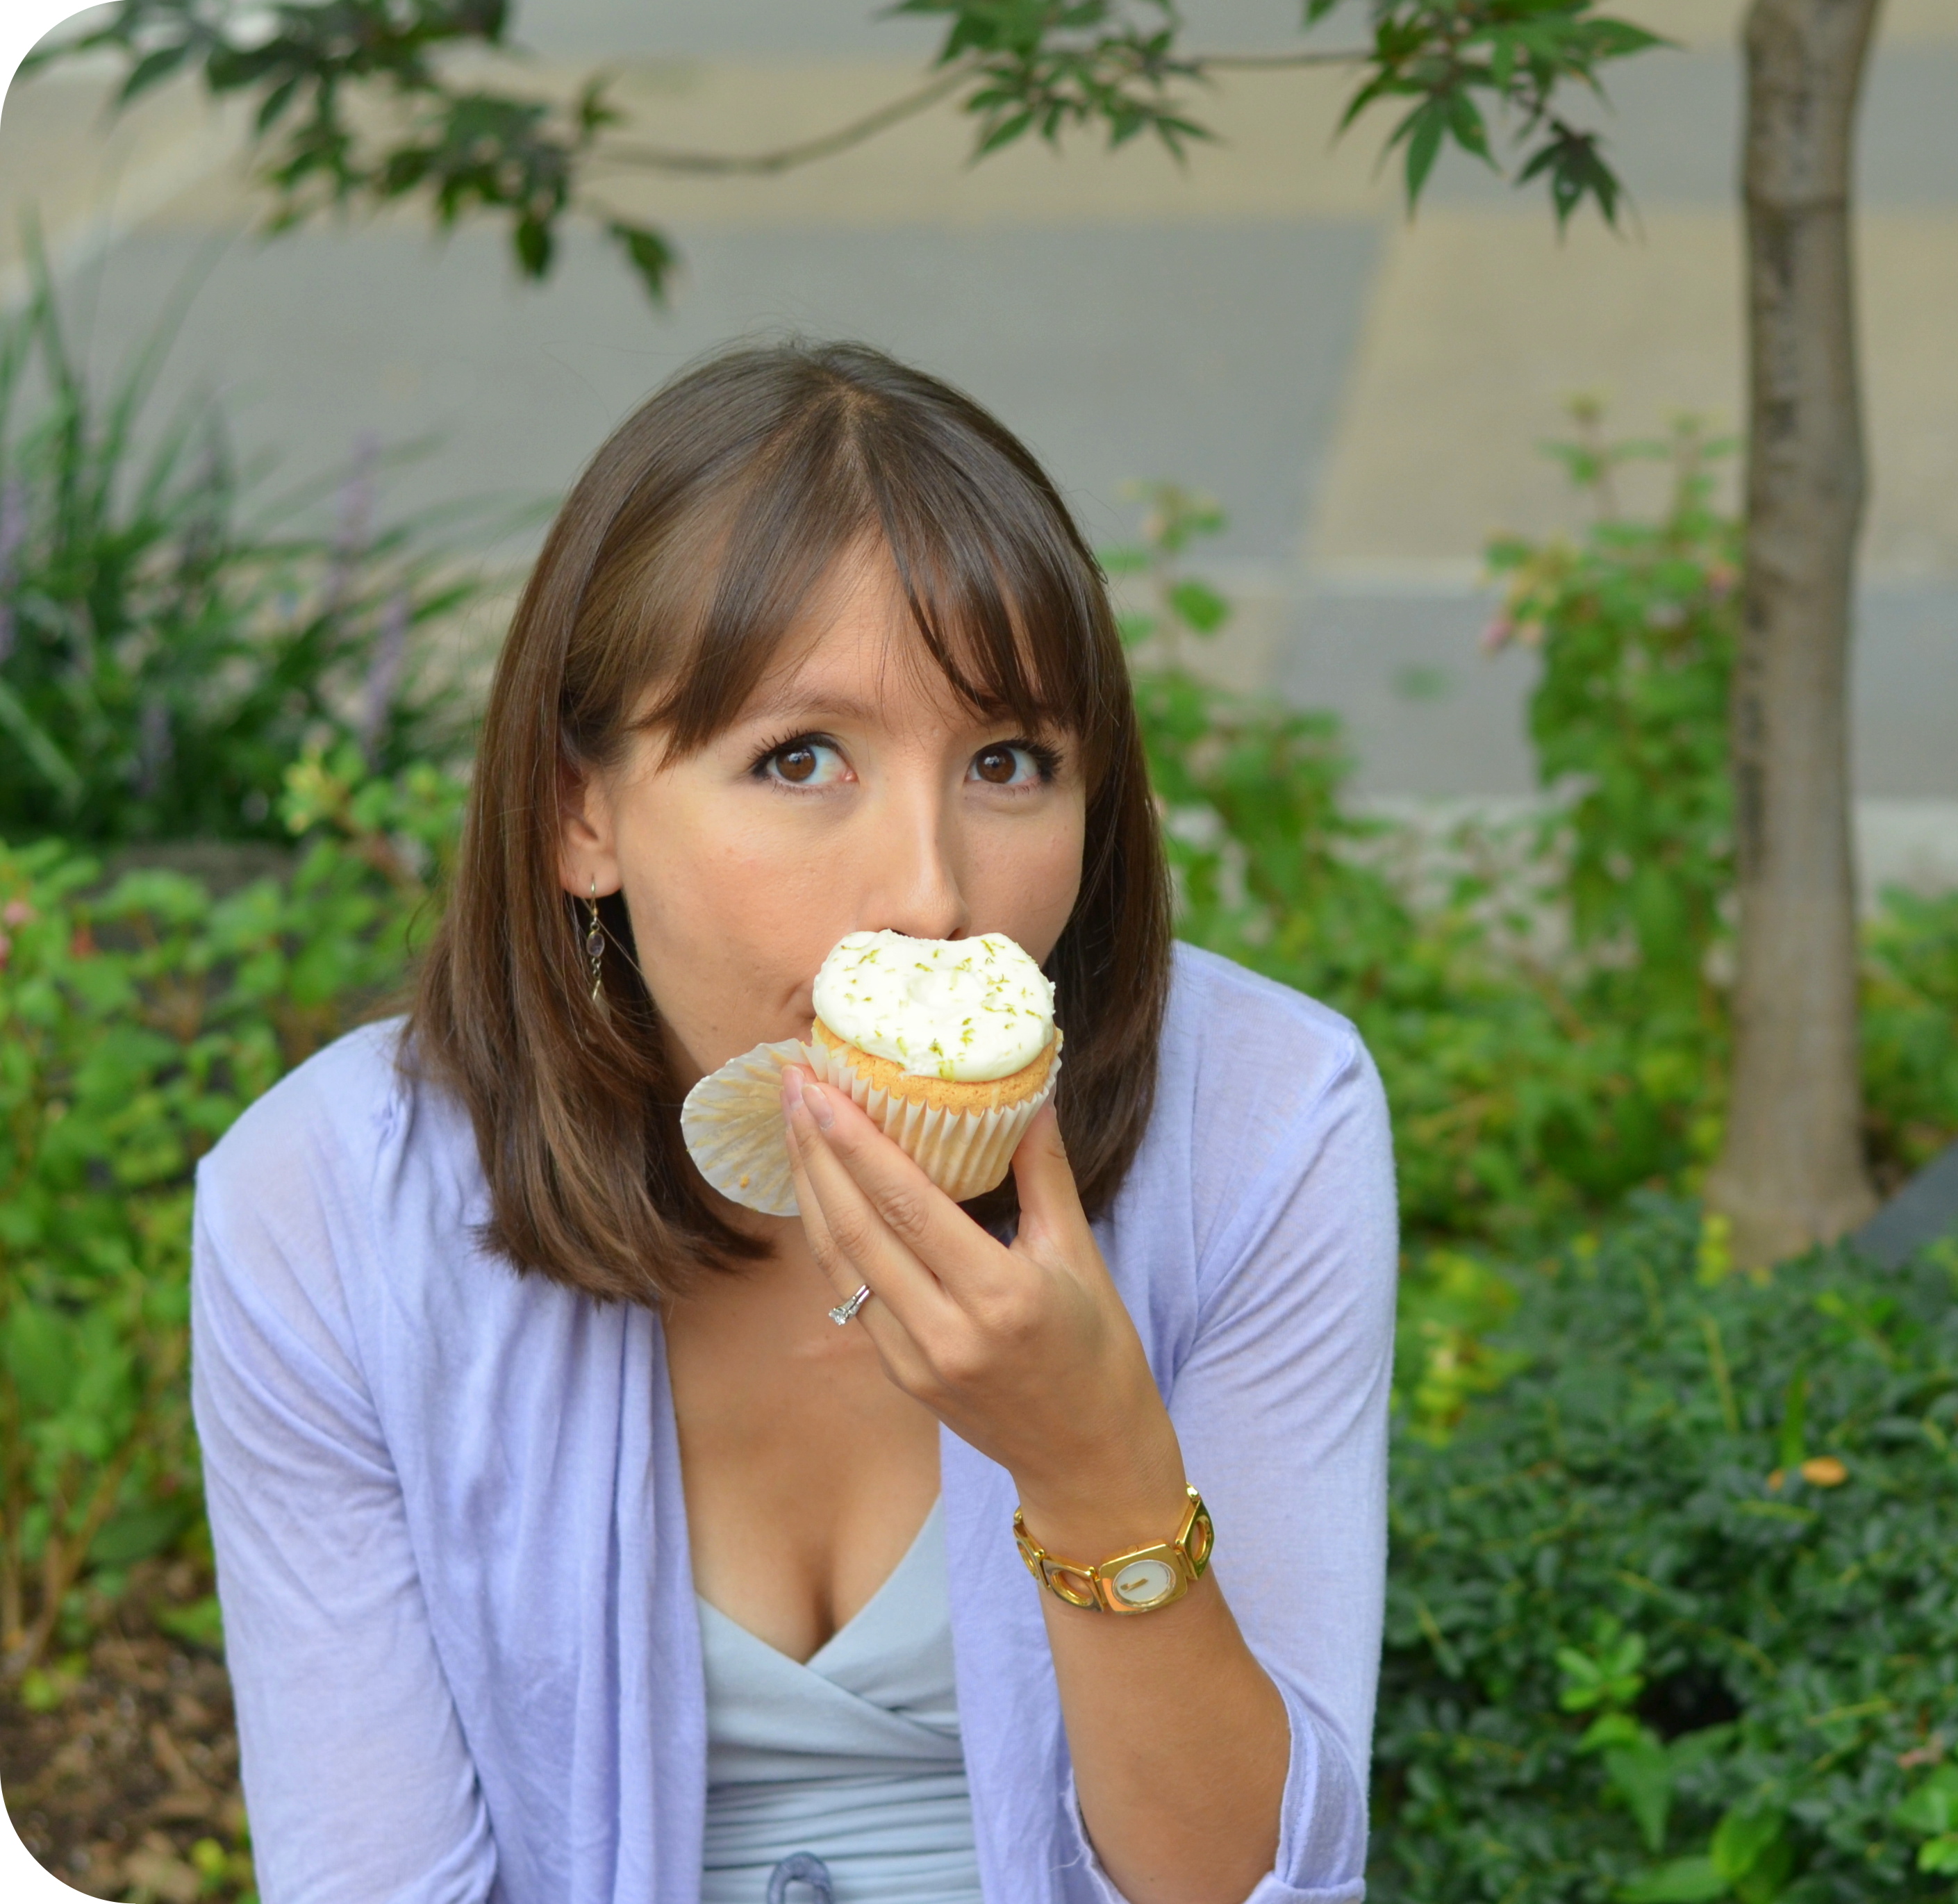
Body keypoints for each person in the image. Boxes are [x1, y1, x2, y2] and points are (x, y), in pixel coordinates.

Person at [188, 341, 1397, 1904]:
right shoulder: (326, 1212)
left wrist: (1093, 1465)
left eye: (1009, 762)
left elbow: (1259, 1888)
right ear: (584, 814)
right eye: (800, 758)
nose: (932, 893)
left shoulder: (1264, 1126)